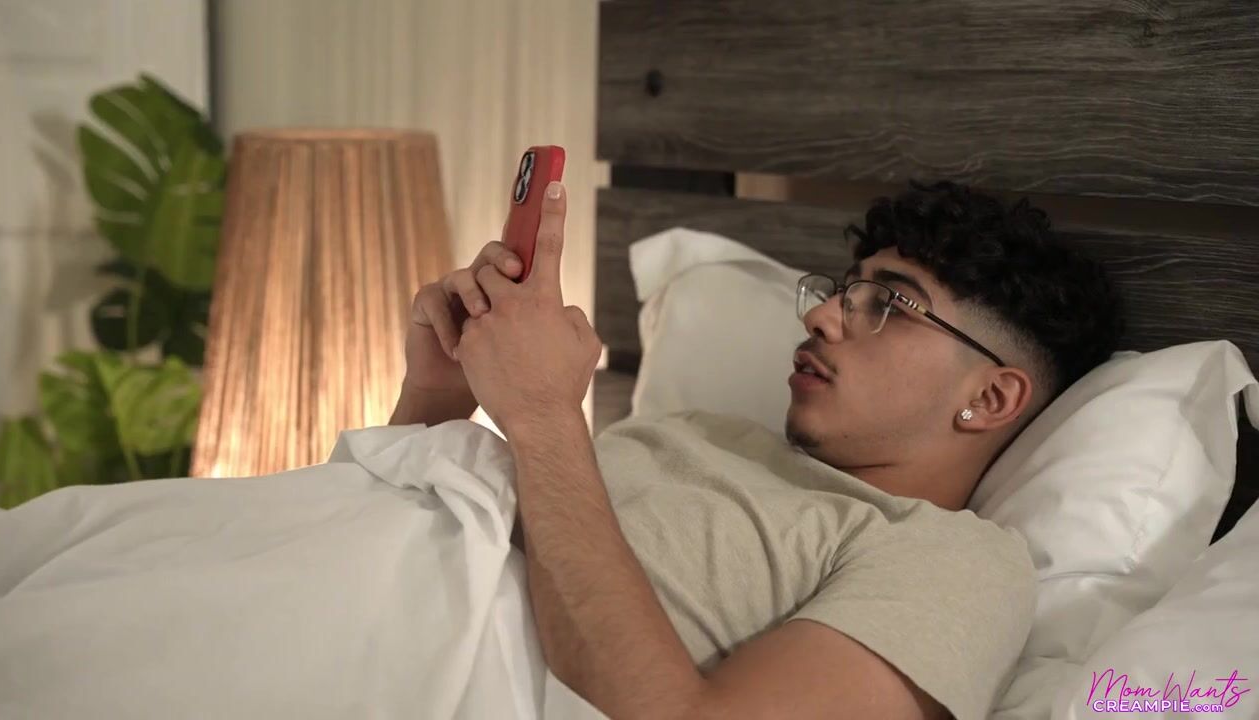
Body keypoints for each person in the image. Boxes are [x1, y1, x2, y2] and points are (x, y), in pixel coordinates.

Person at [394, 179, 1124, 720]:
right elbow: (412, 536)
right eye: (845, 290)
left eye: (889, 305)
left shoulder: (955, 562)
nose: (822, 316)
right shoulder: (696, 430)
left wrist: (545, 416)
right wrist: (435, 395)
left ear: (990, 398)